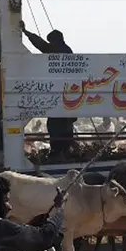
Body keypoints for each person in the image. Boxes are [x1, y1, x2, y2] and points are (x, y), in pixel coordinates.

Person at [20, 21, 75, 161]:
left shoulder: (60, 51)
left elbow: (42, 45)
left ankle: (58, 153)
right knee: (64, 128)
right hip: (67, 99)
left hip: (60, 99)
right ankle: (64, 152)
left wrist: (26, 33)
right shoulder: (67, 50)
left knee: (56, 127)